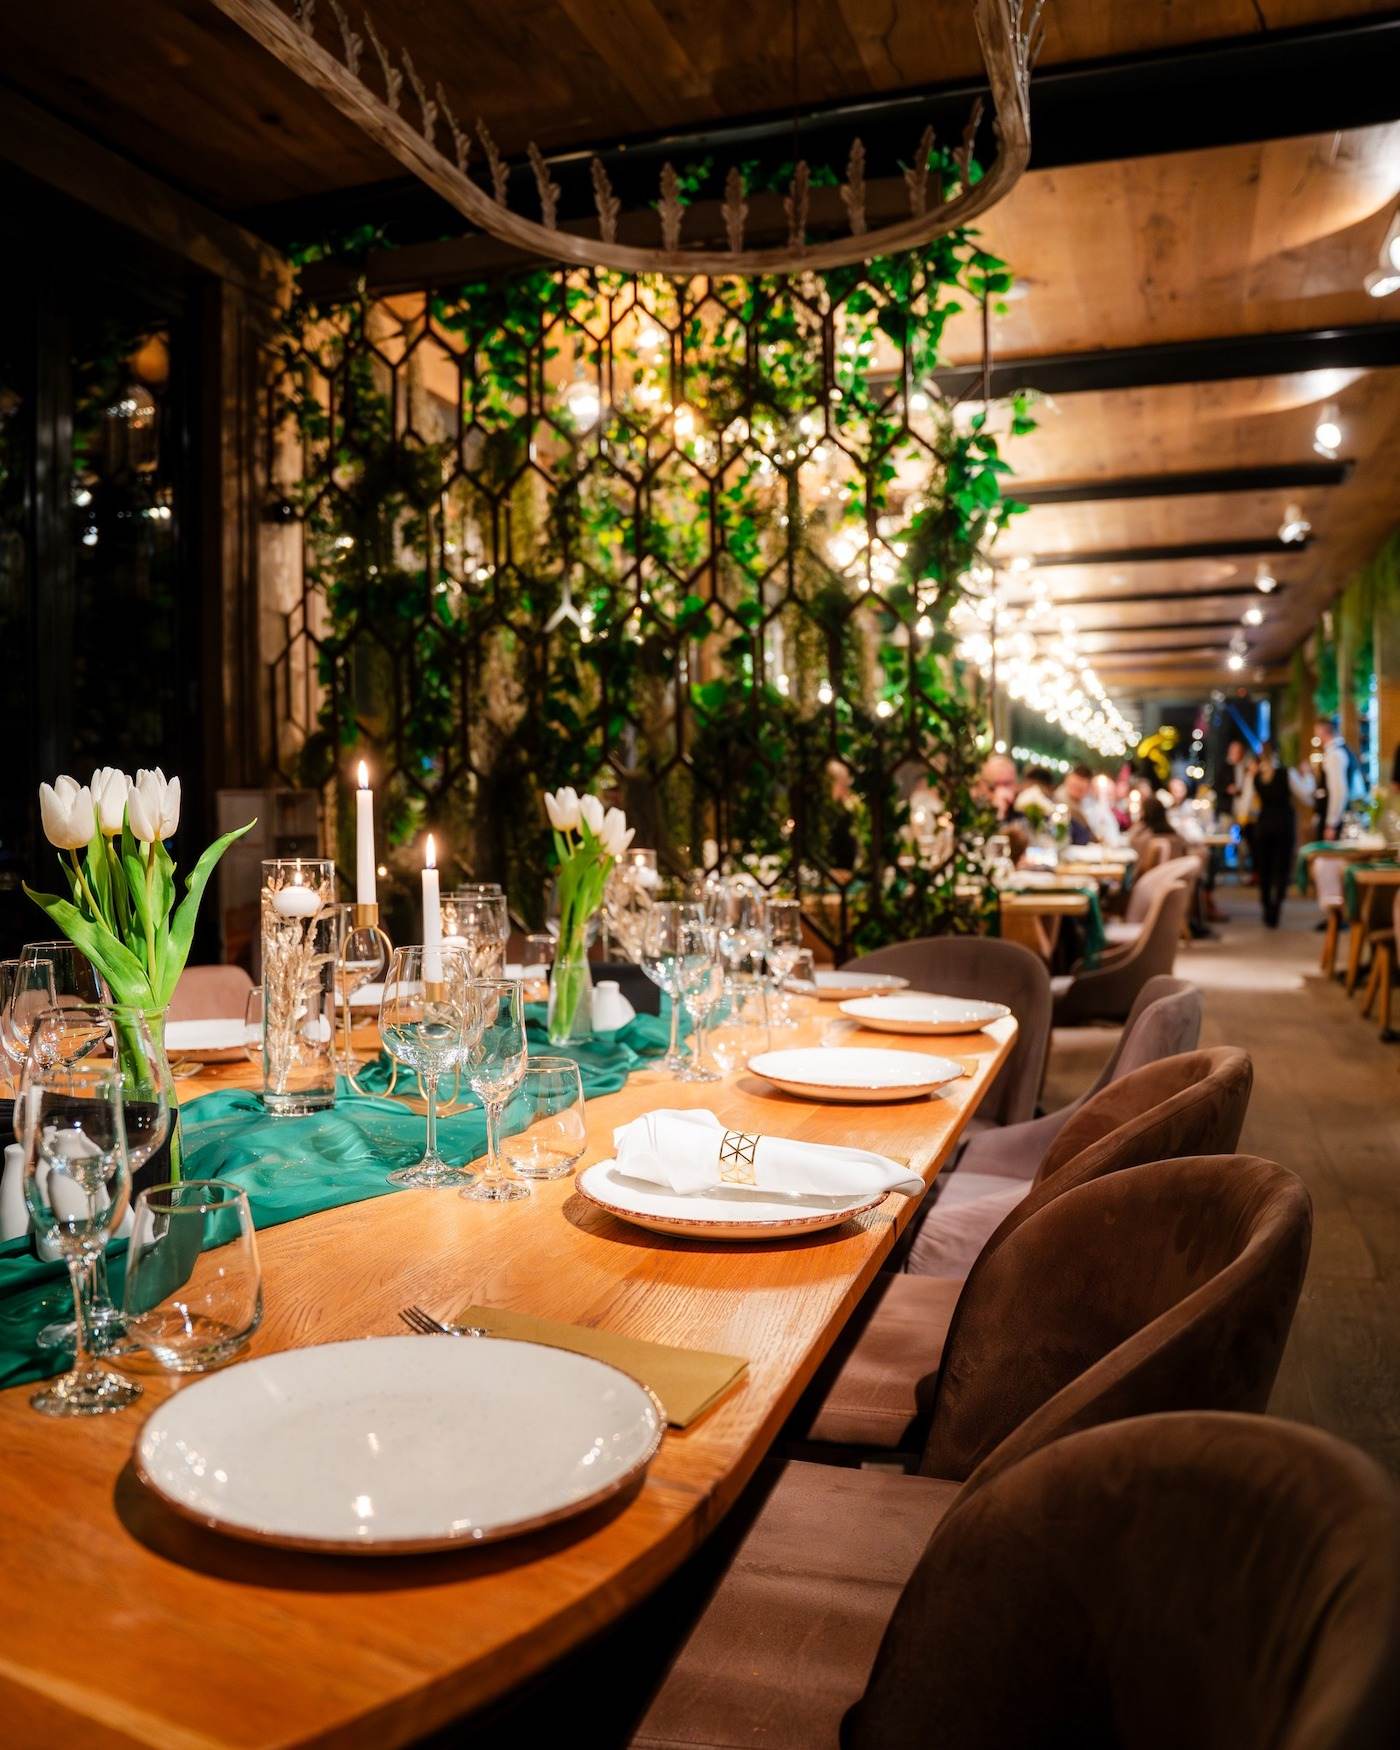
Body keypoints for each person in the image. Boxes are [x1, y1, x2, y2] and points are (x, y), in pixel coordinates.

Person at [1253, 740, 1296, 929]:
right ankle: (1276, 907)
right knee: (1282, 868)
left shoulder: (1256, 775)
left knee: (1265, 868)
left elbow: (1249, 803)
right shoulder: (1287, 773)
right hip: (1283, 823)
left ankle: (1266, 906)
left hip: (1264, 823)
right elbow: (1305, 794)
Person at [1313, 716, 1351, 842]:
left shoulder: (1335, 754)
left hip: (1338, 823)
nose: (1316, 738)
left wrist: (1331, 824)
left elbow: (1338, 791)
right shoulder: (1338, 750)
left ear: (1323, 731)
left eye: (1317, 733)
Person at [1055, 764, 1096, 845]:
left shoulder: (1089, 804)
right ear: (1067, 780)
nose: (1077, 790)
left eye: (1081, 789)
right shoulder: (1057, 801)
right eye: (1074, 786)